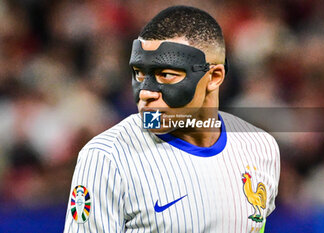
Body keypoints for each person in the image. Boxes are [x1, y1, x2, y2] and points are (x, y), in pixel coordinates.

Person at [63, 5, 280, 233]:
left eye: (166, 74)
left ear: (214, 77)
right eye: (139, 73)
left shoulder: (261, 147)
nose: (146, 92)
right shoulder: (107, 156)